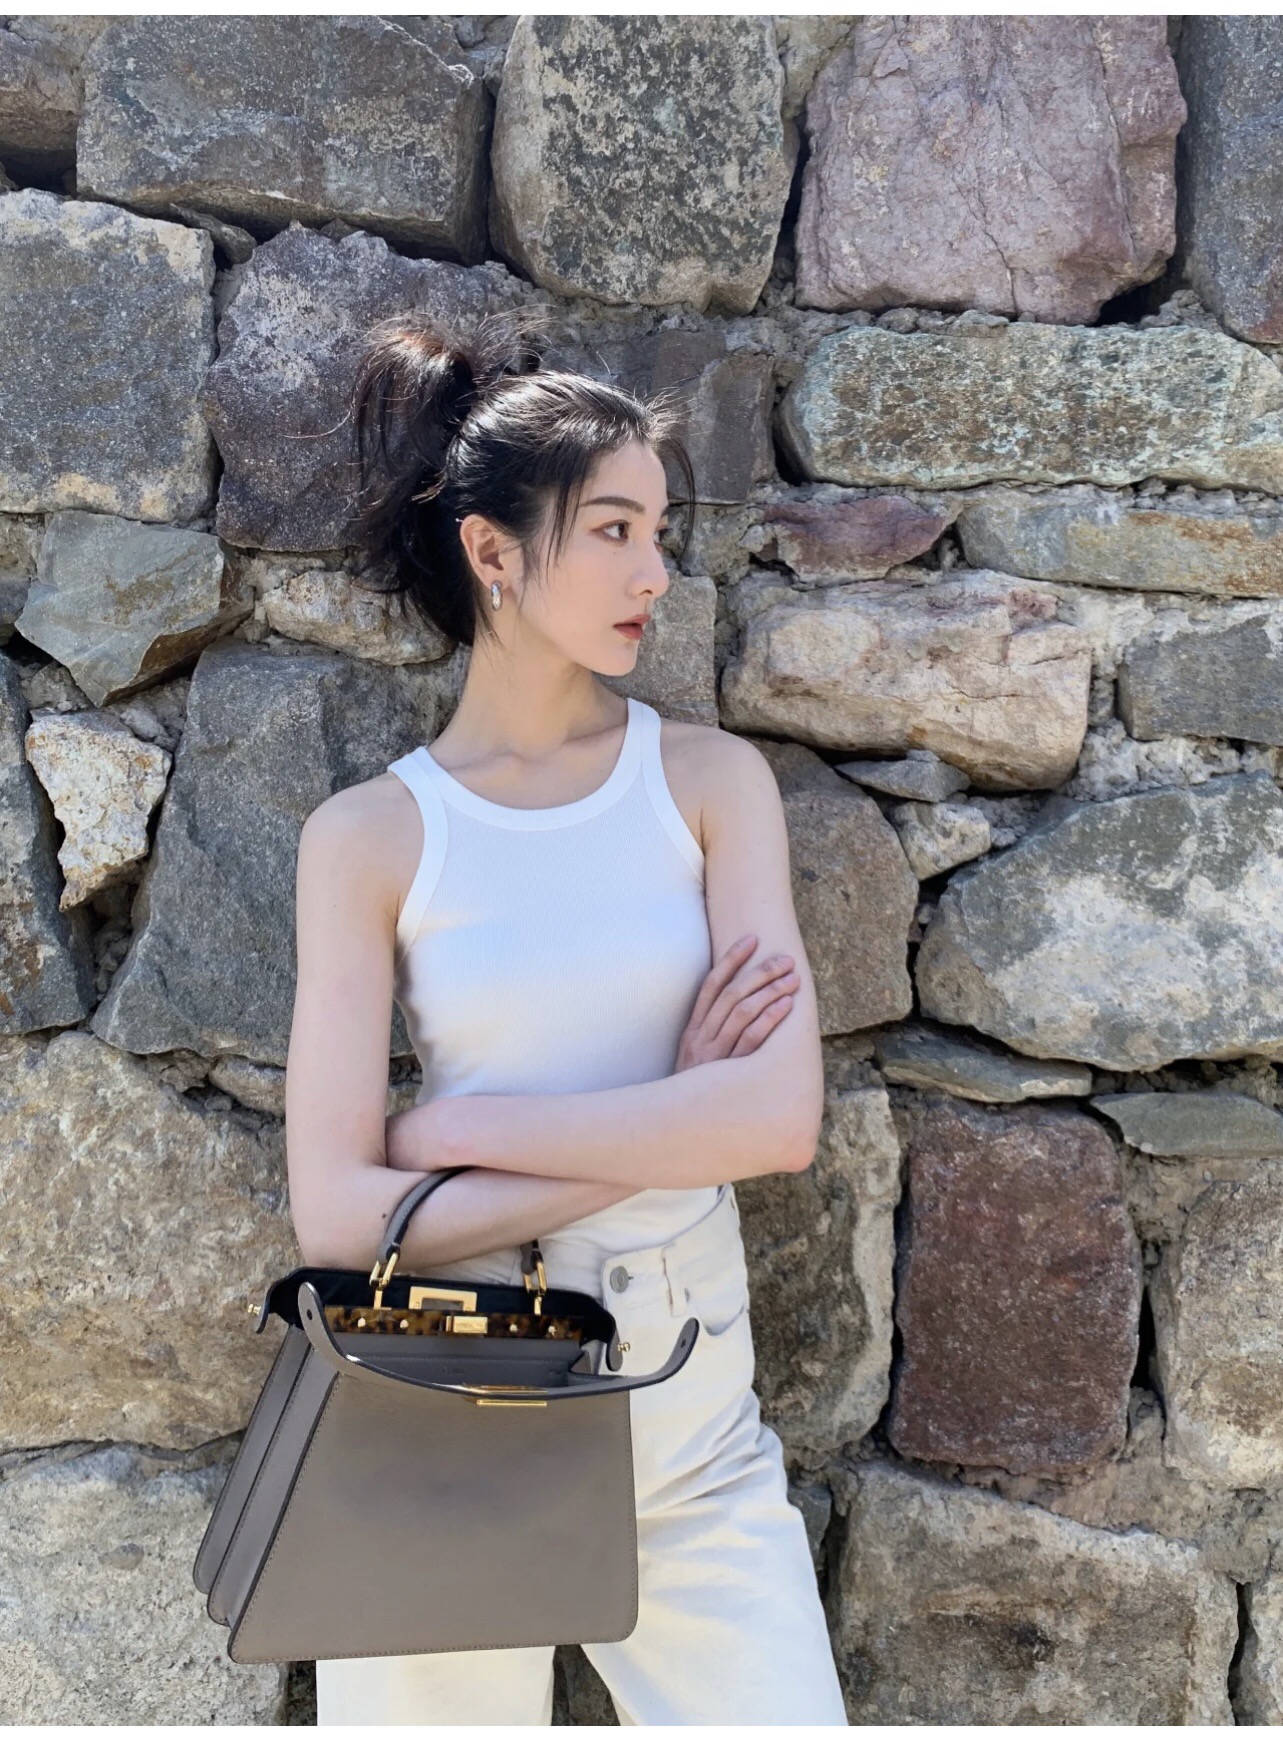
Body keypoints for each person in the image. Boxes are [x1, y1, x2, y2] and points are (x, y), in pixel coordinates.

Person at [284, 305, 849, 1726]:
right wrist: (670, 1120)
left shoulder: (709, 785)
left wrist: (463, 1135)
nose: (654, 571)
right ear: (494, 552)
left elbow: (777, 1121)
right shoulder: (370, 839)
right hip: (450, 1403)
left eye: (657, 532)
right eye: (612, 531)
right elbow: (339, 1216)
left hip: (691, 1420)